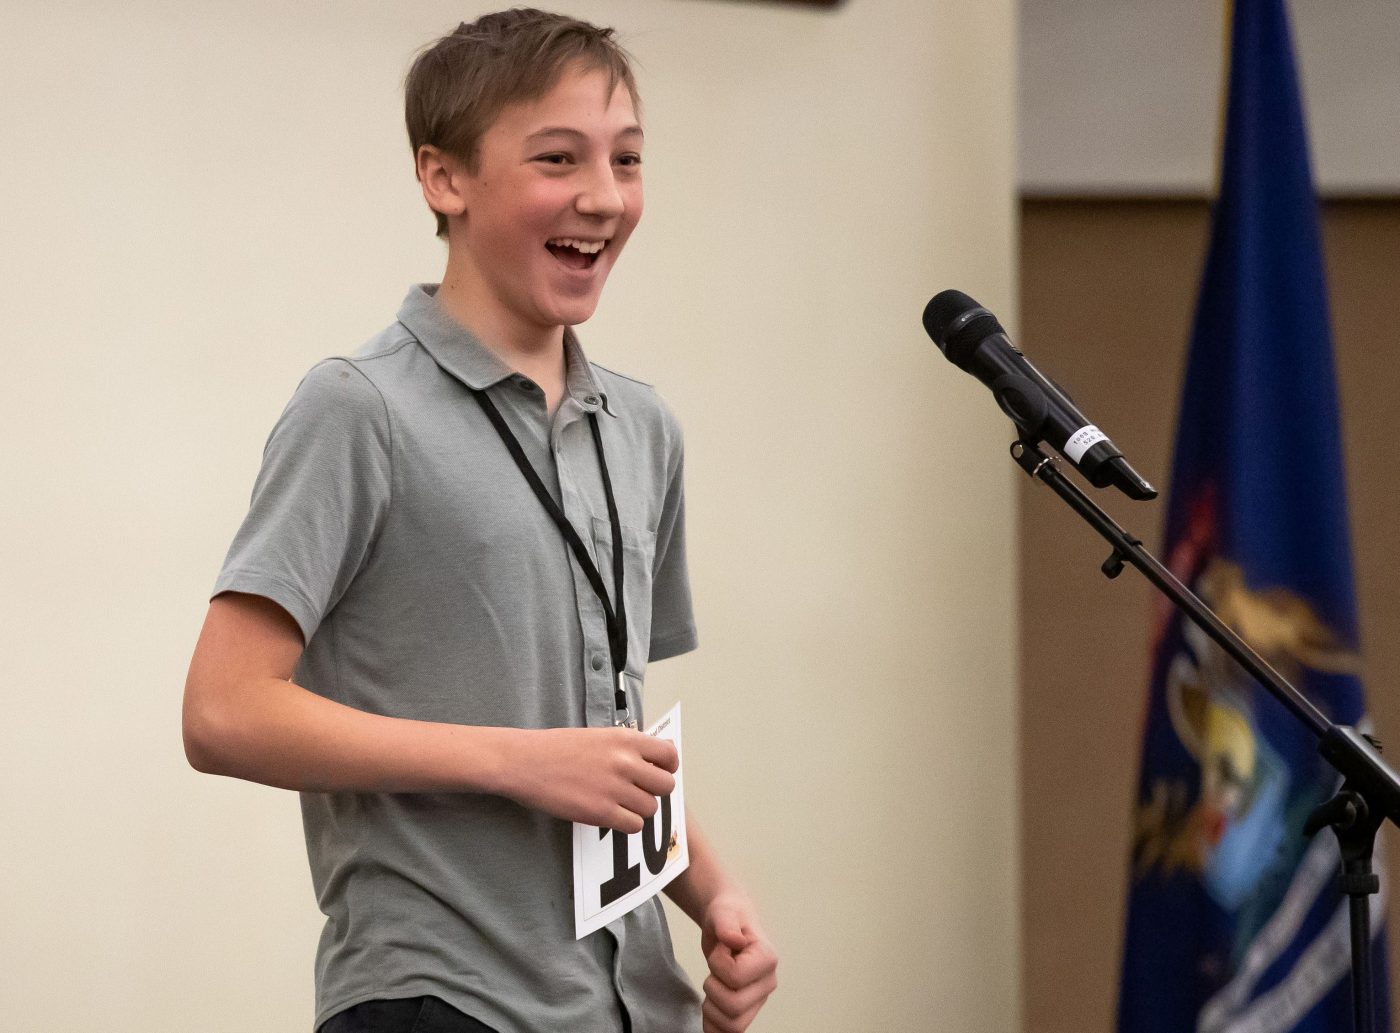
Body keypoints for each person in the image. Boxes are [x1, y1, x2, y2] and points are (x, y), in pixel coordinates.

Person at [182, 10, 777, 1033]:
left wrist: (713, 892)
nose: (604, 195)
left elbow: (606, 732)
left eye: (627, 159)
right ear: (442, 178)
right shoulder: (358, 408)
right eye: (558, 157)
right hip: (439, 997)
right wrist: (517, 761)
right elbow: (222, 711)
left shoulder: (642, 429)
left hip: (633, 1006)